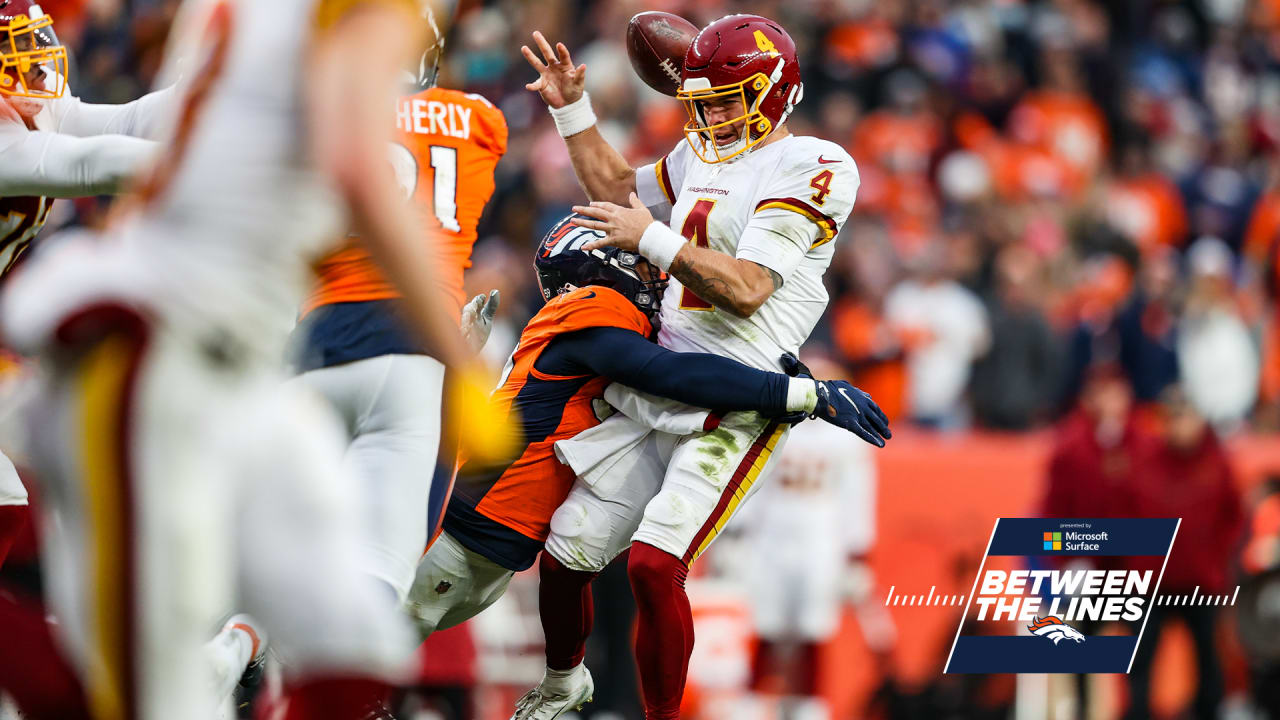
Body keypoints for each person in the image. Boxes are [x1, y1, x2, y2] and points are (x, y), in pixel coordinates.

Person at [0, 0, 502, 718]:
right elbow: (355, 166)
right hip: (152, 349)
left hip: (248, 372)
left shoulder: (250, 24)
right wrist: (456, 356)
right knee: (138, 690)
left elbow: (126, 122)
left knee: (353, 640)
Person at [514, 15, 878, 719]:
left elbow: (745, 289)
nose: (711, 117)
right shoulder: (702, 154)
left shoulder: (815, 164)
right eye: (702, 102)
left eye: (725, 101)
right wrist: (570, 108)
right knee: (565, 555)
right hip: (663, 376)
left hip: (740, 396)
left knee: (655, 566)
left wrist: (651, 239)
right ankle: (564, 685)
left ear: (775, 92)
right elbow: (619, 192)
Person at [405, 215, 888, 641]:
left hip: (491, 538)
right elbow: (672, 375)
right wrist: (804, 395)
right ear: (598, 273)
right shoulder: (596, 309)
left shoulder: (586, 326)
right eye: (637, 264)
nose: (654, 276)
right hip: (471, 529)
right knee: (362, 669)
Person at [290, 4, 507, 607]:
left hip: (315, 337)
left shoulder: (316, 112)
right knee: (386, 562)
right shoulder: (481, 119)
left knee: (289, 550)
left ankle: (241, 647)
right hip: (418, 347)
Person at [0, 0, 176, 577]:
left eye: (34, 48)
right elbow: (88, 164)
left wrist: (216, 95)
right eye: (15, 54)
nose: (35, 69)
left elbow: (127, 122)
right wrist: (214, 162)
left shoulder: (31, 110)